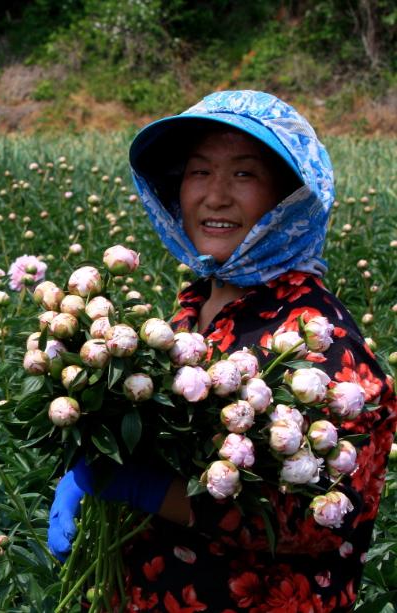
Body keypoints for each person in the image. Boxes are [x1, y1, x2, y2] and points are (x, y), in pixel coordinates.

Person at [46, 90, 397, 610]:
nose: (215, 196)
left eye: (243, 174)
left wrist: (144, 489)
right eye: (199, 171)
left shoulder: (321, 339)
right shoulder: (187, 313)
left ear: (289, 198)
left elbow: (325, 516)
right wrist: (90, 464)